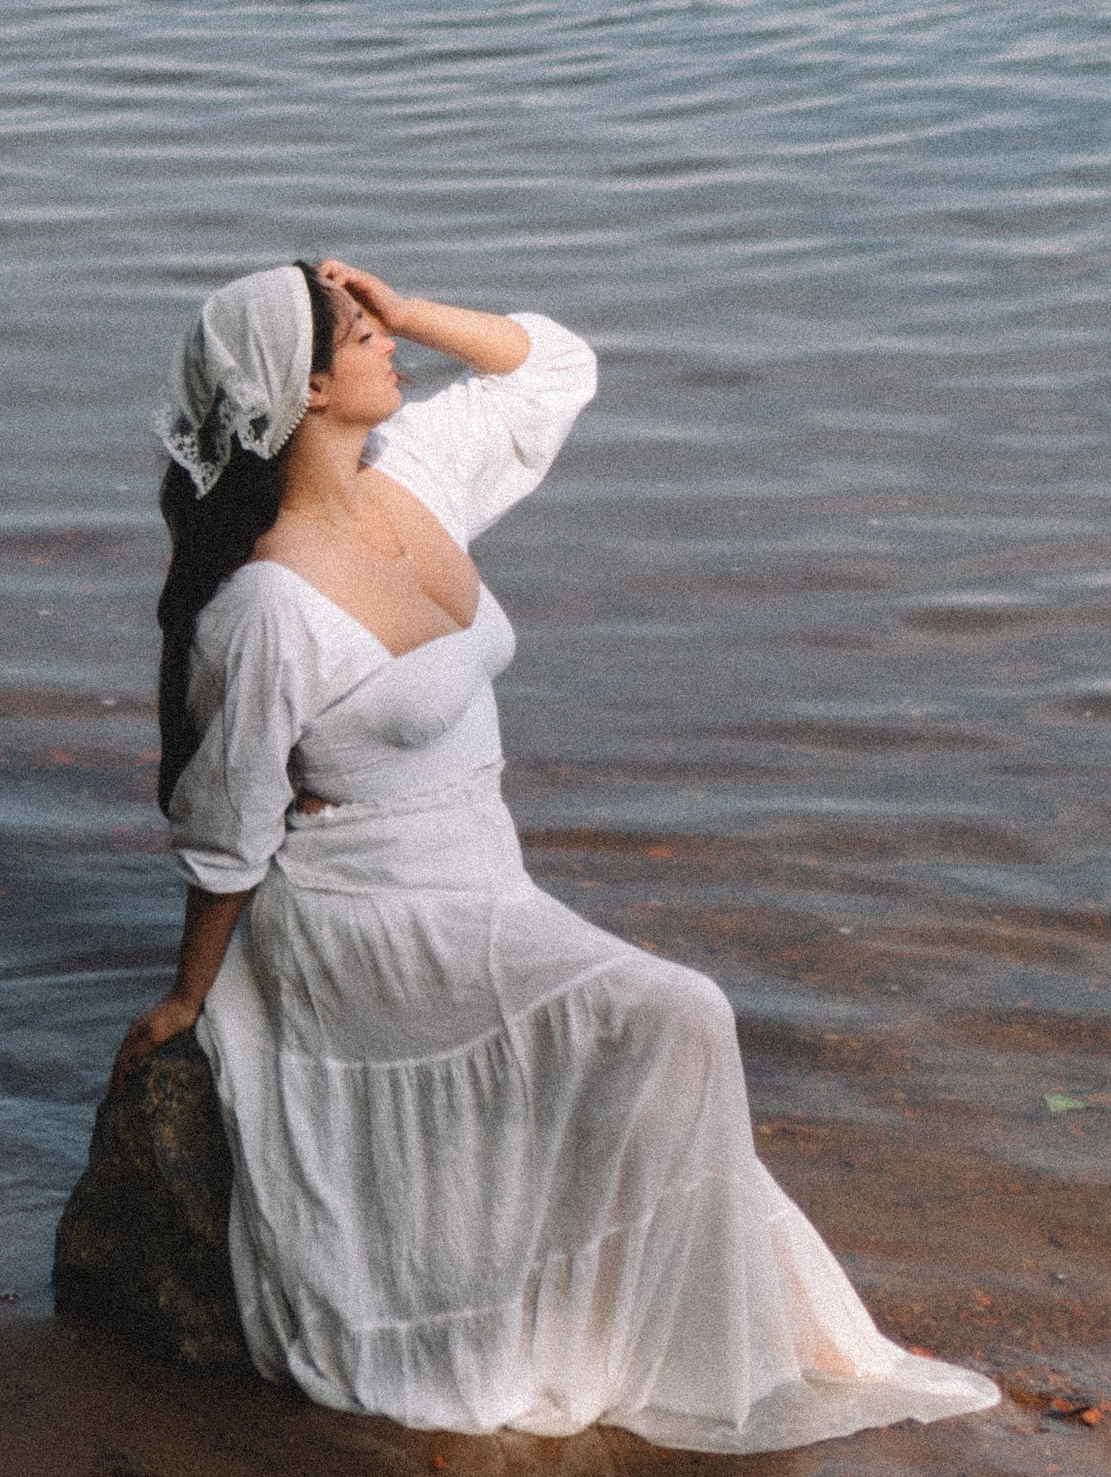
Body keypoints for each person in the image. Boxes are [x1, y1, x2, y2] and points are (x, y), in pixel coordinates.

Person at [115, 257, 1000, 1451]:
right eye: (358, 331)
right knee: (682, 1012)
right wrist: (190, 995)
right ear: (305, 389)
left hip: (483, 873)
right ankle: (611, 1336)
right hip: (368, 909)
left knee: (660, 1030)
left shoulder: (415, 477)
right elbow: (226, 832)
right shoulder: (267, 609)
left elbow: (556, 364)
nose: (388, 338)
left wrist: (413, 303)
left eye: (383, 320)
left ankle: (634, 1316)